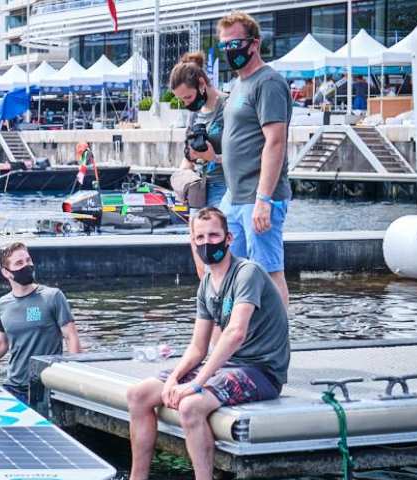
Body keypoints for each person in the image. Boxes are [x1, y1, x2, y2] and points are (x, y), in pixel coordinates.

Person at [126, 207, 289, 480]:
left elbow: (235, 333)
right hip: (227, 366)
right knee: (138, 395)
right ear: (192, 240)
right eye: (199, 237)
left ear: (229, 238)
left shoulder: (247, 273)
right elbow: (198, 348)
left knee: (190, 405)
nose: (206, 243)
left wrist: (196, 384)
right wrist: (175, 378)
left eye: (213, 235)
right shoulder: (206, 285)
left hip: (261, 371)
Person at [216, 11, 292, 305]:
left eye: (235, 43)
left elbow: (275, 142)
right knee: (231, 269)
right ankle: (240, 337)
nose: (229, 51)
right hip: (235, 197)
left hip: (259, 198)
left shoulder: (268, 82)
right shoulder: (238, 85)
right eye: (224, 46)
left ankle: (277, 341)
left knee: (268, 271)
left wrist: (264, 199)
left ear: (254, 44)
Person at [0, 242, 81, 403]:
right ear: (6, 272)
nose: (27, 266)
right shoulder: (2, 304)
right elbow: (2, 343)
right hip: (14, 386)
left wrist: (74, 377)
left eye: (28, 260)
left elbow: (71, 337)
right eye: (19, 263)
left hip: (46, 386)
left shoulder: (52, 296)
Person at [170, 51, 229, 280]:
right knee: (201, 263)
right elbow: (188, 157)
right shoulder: (195, 115)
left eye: (187, 97)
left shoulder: (228, 108)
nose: (187, 104)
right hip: (200, 190)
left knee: (222, 260)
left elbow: (244, 156)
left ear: (202, 84)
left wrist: (214, 157)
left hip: (225, 188)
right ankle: (210, 308)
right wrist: (183, 177)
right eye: (182, 100)